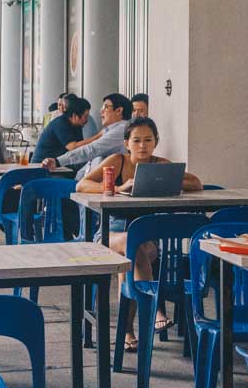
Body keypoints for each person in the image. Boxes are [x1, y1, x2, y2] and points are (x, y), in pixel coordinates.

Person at [76, 116, 200, 343]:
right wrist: (119, 186)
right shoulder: (117, 161)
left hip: (146, 240)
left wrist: (166, 180)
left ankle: (127, 331)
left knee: (132, 255)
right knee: (131, 245)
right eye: (136, 140)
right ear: (126, 143)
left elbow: (196, 183)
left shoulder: (159, 164)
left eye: (148, 140)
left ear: (155, 142)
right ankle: (156, 311)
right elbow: (82, 184)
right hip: (109, 234)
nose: (142, 145)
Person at [43, 93, 130, 179]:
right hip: (84, 183)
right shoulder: (109, 130)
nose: (101, 111)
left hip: (97, 186)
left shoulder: (121, 130)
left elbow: (91, 149)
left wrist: (58, 161)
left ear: (119, 110)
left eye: (105, 107)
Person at [31, 96, 90, 163]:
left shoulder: (77, 126)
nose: (87, 120)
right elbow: (73, 147)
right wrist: (99, 136)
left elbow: (81, 148)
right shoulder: (60, 123)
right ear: (75, 116)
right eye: (85, 116)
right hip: (42, 167)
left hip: (57, 165)